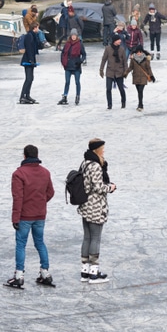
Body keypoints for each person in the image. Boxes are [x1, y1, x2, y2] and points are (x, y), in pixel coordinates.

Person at [7, 144, 56, 289]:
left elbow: (18, 197)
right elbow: (50, 192)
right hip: (40, 215)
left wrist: (15, 218)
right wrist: (39, 203)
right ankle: (45, 273)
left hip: (25, 216)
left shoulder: (19, 174)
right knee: (40, 243)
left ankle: (19, 276)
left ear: (24, 156)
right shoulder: (45, 172)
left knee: (21, 244)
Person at [78, 139, 117, 283]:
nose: (104, 150)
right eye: (102, 148)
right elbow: (98, 187)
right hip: (95, 206)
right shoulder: (94, 166)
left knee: (87, 237)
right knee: (95, 238)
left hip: (85, 205)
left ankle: (85, 271)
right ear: (97, 150)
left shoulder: (85, 163)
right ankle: (94, 272)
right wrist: (111, 188)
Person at [99, 33, 128, 109]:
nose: (120, 41)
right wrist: (101, 69)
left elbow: (125, 61)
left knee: (121, 88)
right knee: (108, 89)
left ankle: (123, 102)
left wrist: (126, 71)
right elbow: (104, 59)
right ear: (115, 41)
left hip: (119, 72)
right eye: (118, 40)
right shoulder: (108, 49)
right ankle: (109, 104)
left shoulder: (121, 49)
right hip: (110, 72)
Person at [58, 29, 86, 106]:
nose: (73, 37)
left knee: (77, 82)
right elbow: (63, 53)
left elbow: (84, 54)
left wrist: (81, 61)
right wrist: (63, 62)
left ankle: (77, 96)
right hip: (68, 66)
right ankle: (65, 96)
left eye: (75, 35)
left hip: (76, 65)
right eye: (72, 35)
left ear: (77, 36)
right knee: (67, 82)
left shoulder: (80, 44)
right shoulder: (67, 44)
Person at [127, 44, 157, 111]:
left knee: (140, 91)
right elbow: (130, 67)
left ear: (142, 52)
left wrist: (152, 76)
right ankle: (140, 104)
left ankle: (140, 105)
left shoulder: (146, 59)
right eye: (137, 52)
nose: (139, 53)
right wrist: (125, 73)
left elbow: (148, 68)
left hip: (143, 77)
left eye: (140, 52)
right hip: (136, 77)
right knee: (138, 91)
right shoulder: (133, 59)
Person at [18, 26, 40, 104]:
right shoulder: (29, 36)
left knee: (31, 78)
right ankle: (23, 96)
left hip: (31, 60)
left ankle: (27, 95)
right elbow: (29, 48)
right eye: (38, 27)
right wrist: (31, 60)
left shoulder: (33, 36)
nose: (38, 29)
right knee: (28, 79)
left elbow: (37, 47)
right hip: (27, 60)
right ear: (34, 28)